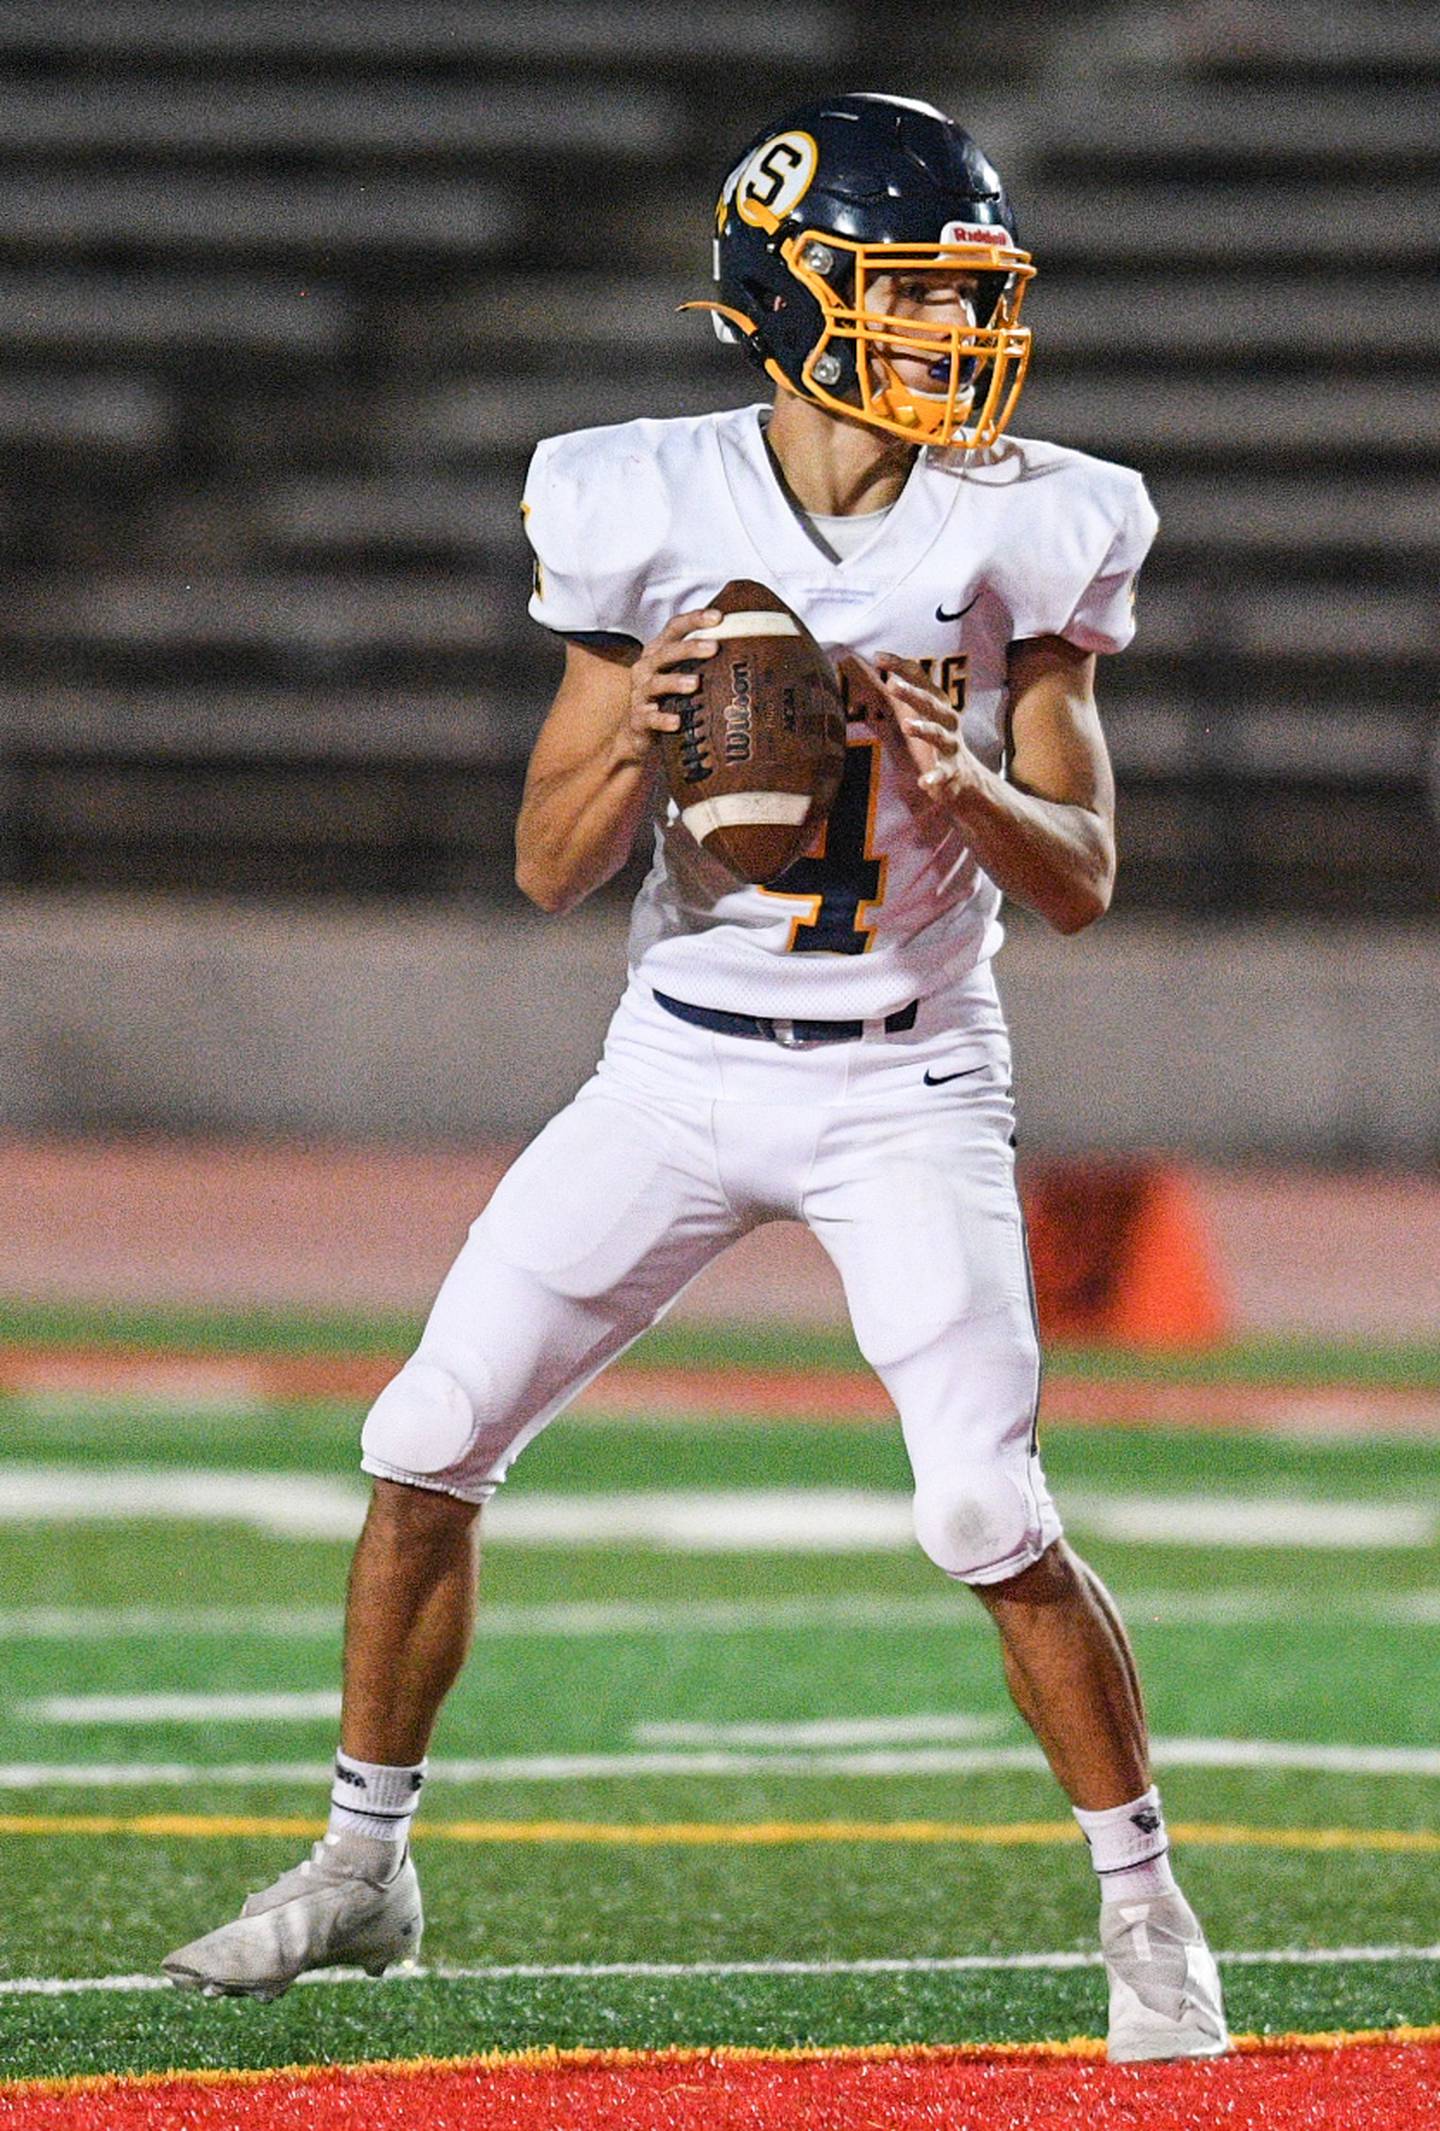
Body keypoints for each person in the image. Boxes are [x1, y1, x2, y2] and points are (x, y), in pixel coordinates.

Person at [163, 91, 1229, 2062]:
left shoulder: (1039, 514)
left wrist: (964, 777)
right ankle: (362, 1862)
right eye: (914, 296)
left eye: (970, 298)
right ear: (796, 297)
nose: (955, 338)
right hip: (677, 1062)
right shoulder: (637, 498)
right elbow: (551, 863)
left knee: (983, 1504)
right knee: (423, 1435)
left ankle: (1150, 1910)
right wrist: (643, 727)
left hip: (908, 1069)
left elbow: (1080, 882)